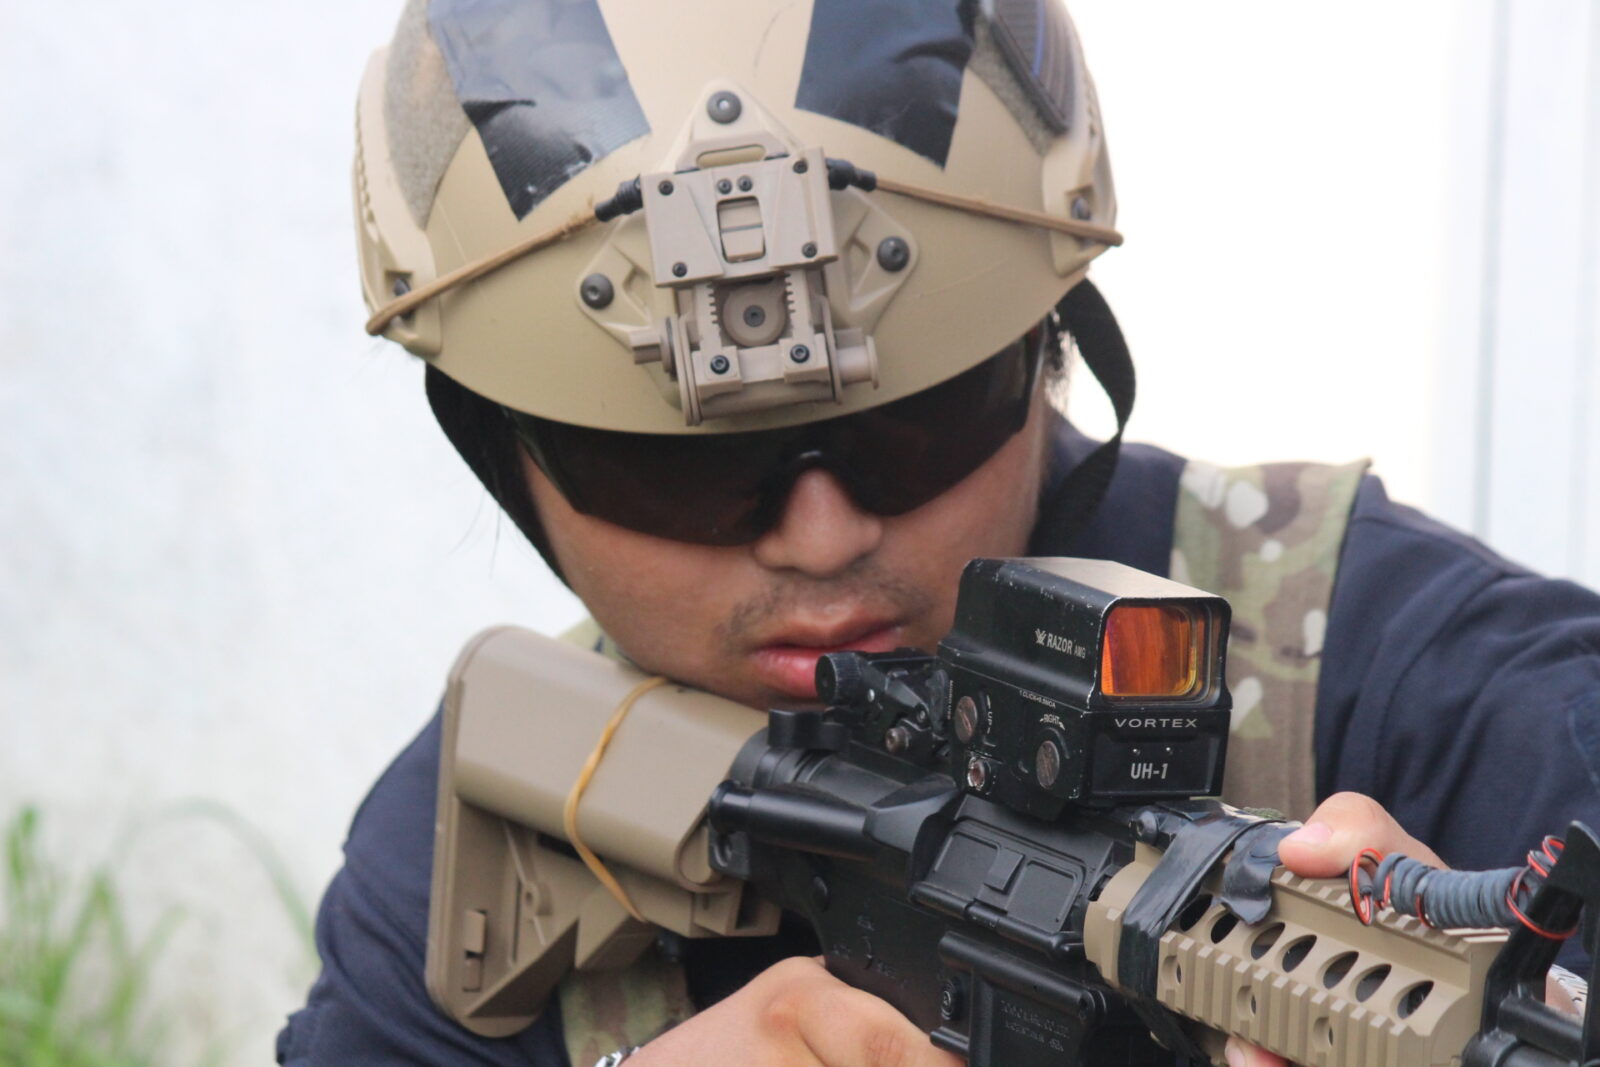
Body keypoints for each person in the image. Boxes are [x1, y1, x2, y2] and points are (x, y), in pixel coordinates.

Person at [278, 1, 1600, 1065]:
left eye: (913, 427)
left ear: (1046, 350)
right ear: (503, 453)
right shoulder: (494, 820)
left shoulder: (1425, 681)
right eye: (682, 472)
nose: (821, 538)